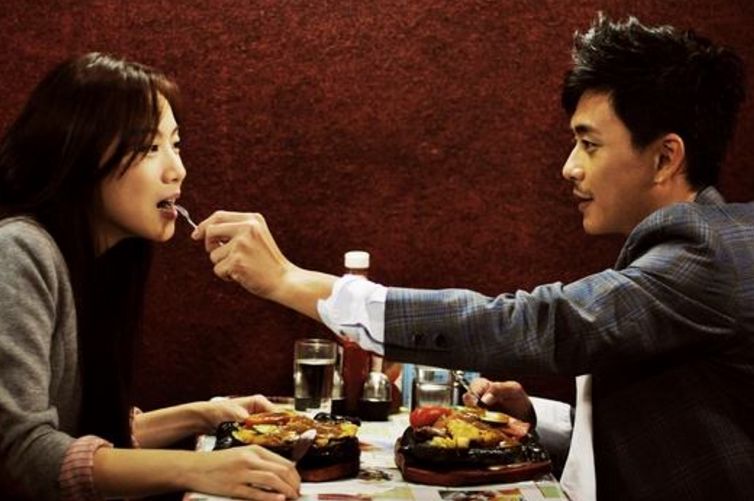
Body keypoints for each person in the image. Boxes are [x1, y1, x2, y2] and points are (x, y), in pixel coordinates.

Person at [192, 13, 753, 501]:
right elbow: (669, 425)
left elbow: (537, 322)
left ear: (664, 158)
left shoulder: (705, 253)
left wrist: (290, 281)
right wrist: (536, 418)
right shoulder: (695, 249)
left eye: (589, 144)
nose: (569, 167)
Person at [0, 53, 300, 501]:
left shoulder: (98, 261)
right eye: (148, 147)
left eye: (175, 144)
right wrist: (198, 469)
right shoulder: (18, 251)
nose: (177, 169)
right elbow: (22, 455)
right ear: (78, 152)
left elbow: (86, 436)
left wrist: (206, 415)